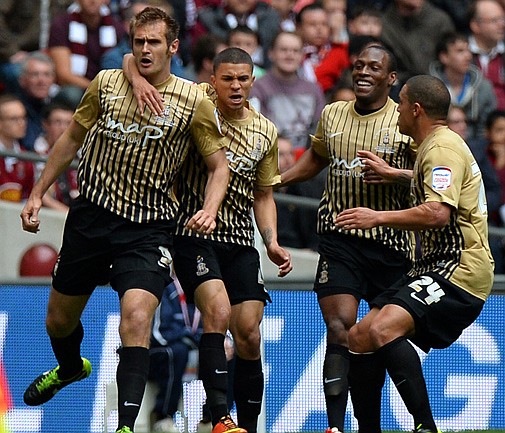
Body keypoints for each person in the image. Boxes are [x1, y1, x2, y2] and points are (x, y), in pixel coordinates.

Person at [19, 8, 229, 433]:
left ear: (173, 47)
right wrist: (38, 193)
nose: (145, 49)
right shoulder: (106, 83)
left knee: (136, 319)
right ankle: (70, 367)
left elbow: (218, 166)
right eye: (139, 42)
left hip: (148, 228)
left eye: (155, 42)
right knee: (58, 322)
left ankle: (126, 426)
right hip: (91, 218)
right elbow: (71, 139)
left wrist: (209, 208)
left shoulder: (194, 100)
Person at [123, 47, 293, 433]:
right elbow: (137, 62)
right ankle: (219, 417)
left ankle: (245, 426)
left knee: (249, 333)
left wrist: (271, 241)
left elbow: (264, 195)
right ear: (212, 80)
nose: (235, 86)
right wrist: (134, 74)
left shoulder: (265, 130)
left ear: (253, 81)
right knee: (216, 312)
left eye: (243, 79)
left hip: (240, 241)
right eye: (228, 78)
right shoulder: (197, 101)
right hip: (193, 234)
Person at [336, 74, 494, 433]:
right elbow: (442, 185)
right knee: (360, 335)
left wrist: (376, 217)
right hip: (434, 264)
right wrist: (396, 174)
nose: (397, 110)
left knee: (385, 328)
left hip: (460, 265)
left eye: (401, 102)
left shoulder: (441, 148)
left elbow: (438, 213)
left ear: (416, 109)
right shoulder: (435, 146)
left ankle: (425, 426)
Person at [280, 45, 414, 433]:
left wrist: (395, 174)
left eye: (375, 67)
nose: (364, 72)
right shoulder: (333, 113)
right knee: (340, 329)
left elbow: (434, 175)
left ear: (391, 78)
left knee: (380, 339)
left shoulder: (405, 122)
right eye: (358, 66)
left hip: (393, 244)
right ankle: (335, 426)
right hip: (340, 240)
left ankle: (398, 422)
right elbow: (318, 157)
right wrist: (279, 179)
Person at [249, 31, 326, 150]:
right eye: (283, 50)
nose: (289, 55)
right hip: (271, 155)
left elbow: (319, 131)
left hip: (306, 157)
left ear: (302, 56)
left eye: (295, 51)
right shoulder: (257, 88)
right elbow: (257, 132)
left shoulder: (314, 89)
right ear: (271, 53)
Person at [48, 0, 125, 108]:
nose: (93, 1)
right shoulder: (61, 24)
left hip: (109, 88)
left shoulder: (117, 28)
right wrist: (97, 89)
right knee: (72, 94)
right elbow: (63, 75)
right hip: (78, 87)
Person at [149, 278, 202, 433]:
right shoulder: (165, 287)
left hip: (192, 346)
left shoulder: (207, 287)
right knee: (177, 351)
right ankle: (163, 416)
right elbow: (159, 333)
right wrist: (188, 336)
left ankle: (212, 418)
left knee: (225, 354)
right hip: (159, 350)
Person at [429, 32, 497, 141]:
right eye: (460, 51)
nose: (468, 56)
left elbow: (486, 128)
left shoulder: (484, 87)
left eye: (468, 50)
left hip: (475, 147)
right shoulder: (429, 88)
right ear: (444, 57)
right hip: (438, 143)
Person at [33, 101, 77, 212]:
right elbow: (40, 195)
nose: (63, 129)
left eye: (68, 123)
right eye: (58, 122)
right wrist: (68, 214)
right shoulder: (34, 154)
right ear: (45, 124)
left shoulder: (80, 154)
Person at [468, 0, 505, 109]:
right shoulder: (460, 52)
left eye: (503, 19)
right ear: (475, 25)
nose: (502, 25)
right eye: (494, 20)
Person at [0, 93, 35, 202]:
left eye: (23, 118)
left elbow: (27, 197)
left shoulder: (26, 159)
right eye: (14, 119)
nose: (22, 123)